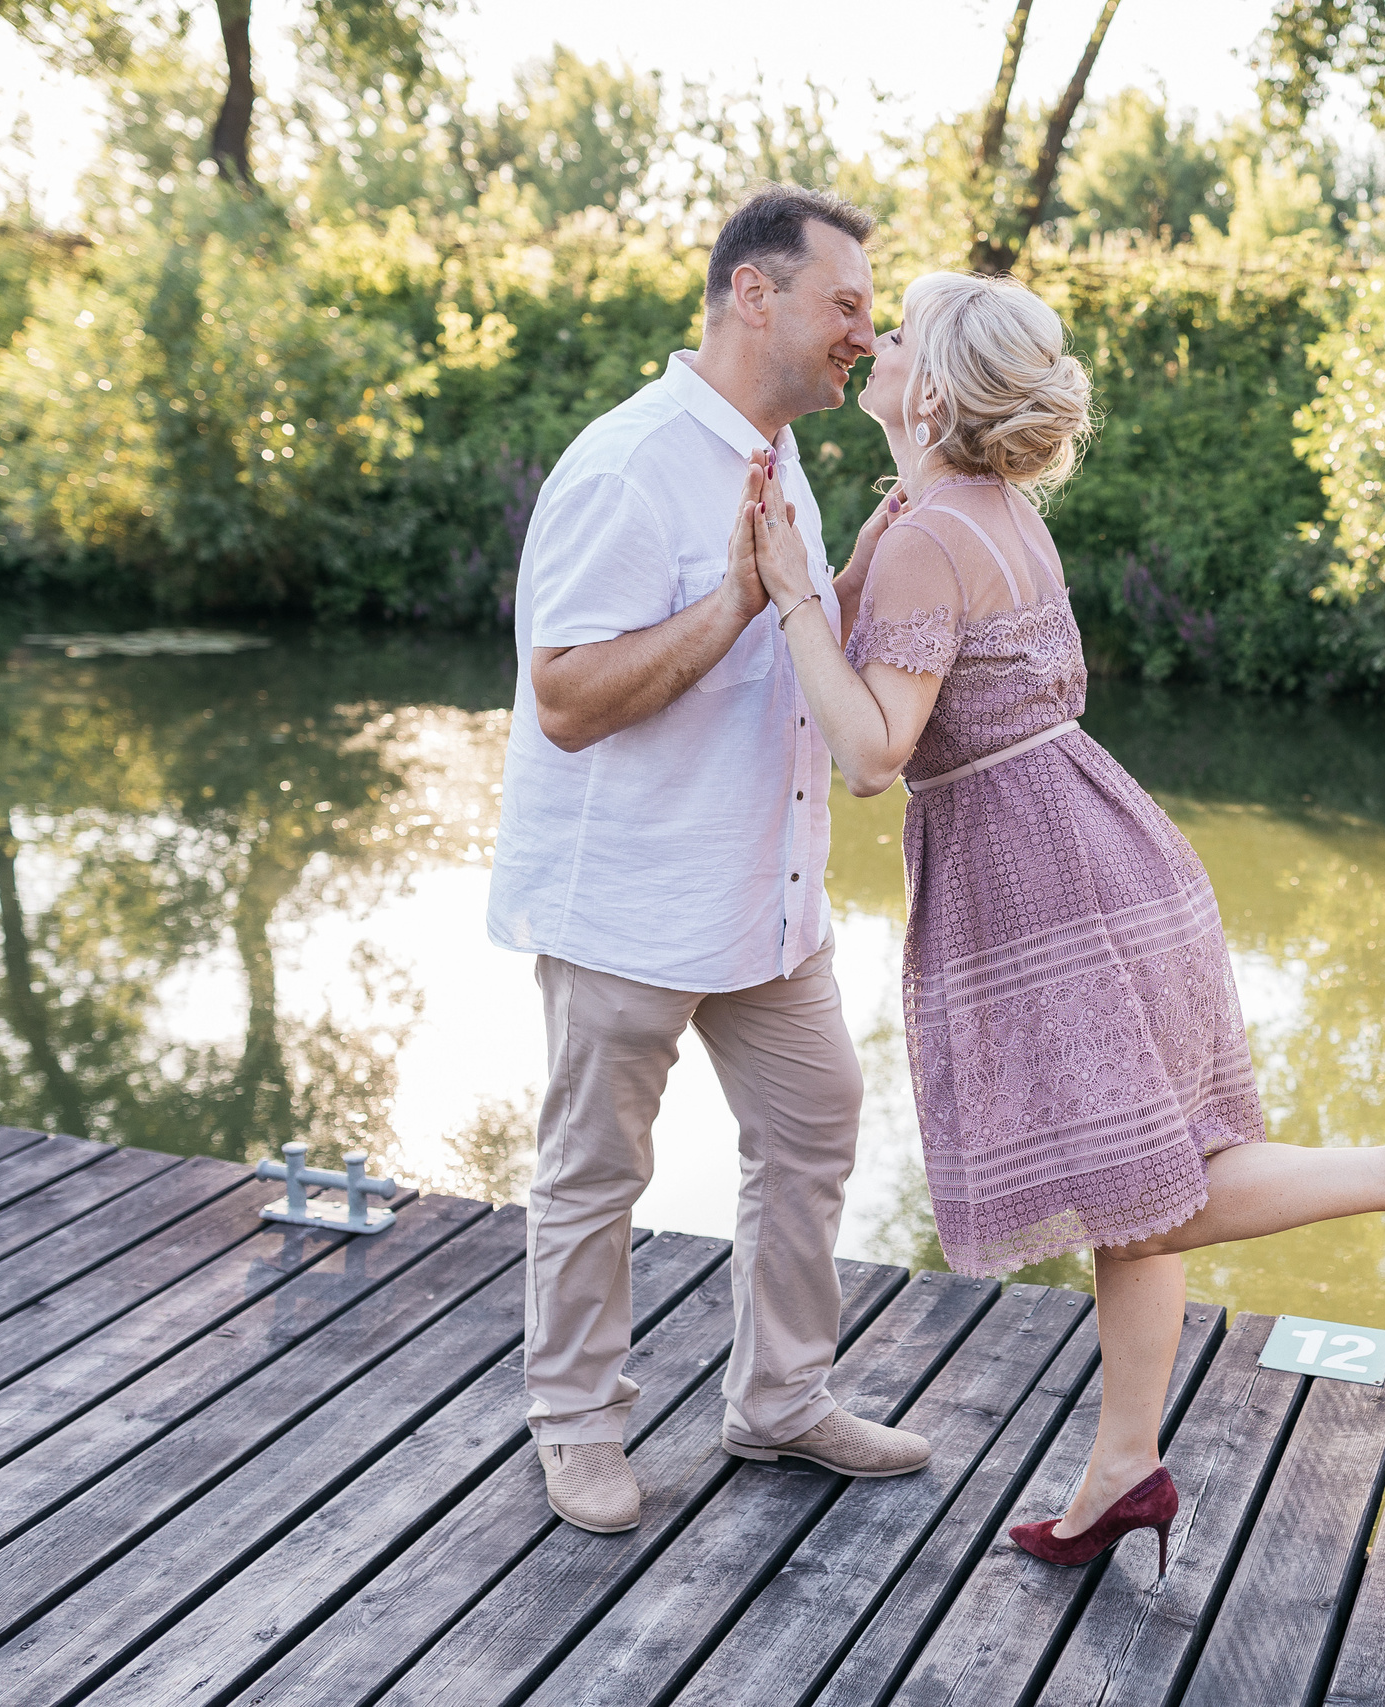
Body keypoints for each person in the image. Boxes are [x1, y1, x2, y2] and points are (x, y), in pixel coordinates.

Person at [733, 269, 1385, 1572]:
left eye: (895, 336)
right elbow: (897, 611)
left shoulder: (936, 532)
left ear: (933, 391)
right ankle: (1123, 1466)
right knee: (1136, 1197)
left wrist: (789, 597)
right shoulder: (963, 507)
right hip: (1094, 854)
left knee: (1157, 1199)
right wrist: (823, 563)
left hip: (1047, 889)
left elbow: (876, 753)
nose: (872, 343)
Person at [487, 185, 932, 1537]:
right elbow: (564, 698)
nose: (864, 331)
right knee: (594, 1174)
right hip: (629, 897)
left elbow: (792, 646)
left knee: (814, 1125)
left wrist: (858, 584)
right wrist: (739, 596)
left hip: (767, 900)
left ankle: (782, 1399)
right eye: (845, 304)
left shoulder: (777, 450)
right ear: (758, 295)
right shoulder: (630, 462)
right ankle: (576, 1427)